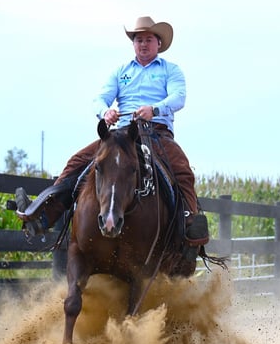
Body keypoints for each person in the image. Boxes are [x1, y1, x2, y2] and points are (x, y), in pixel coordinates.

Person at [15, 16, 209, 248]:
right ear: (133, 44)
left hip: (156, 131)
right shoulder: (121, 72)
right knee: (77, 162)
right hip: (122, 134)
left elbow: (178, 97)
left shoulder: (171, 70)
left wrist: (154, 109)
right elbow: (100, 99)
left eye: (148, 39)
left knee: (182, 171)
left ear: (158, 43)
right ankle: (45, 215)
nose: (143, 44)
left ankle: (189, 223)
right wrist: (105, 112)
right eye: (138, 39)